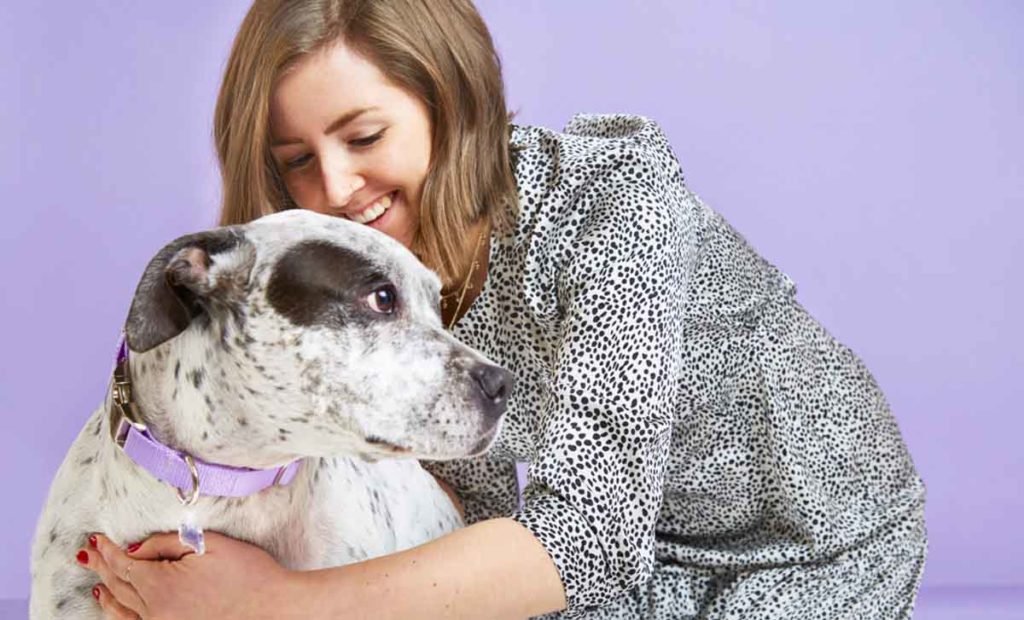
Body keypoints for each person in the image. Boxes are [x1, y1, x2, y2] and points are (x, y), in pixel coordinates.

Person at [79, 0, 928, 617]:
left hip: (806, 547)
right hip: (629, 574)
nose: (334, 188)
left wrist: (273, 606)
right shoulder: (377, 283)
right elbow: (462, 516)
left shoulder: (610, 205)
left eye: (364, 137)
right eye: (297, 158)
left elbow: (587, 541)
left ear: (450, 101)